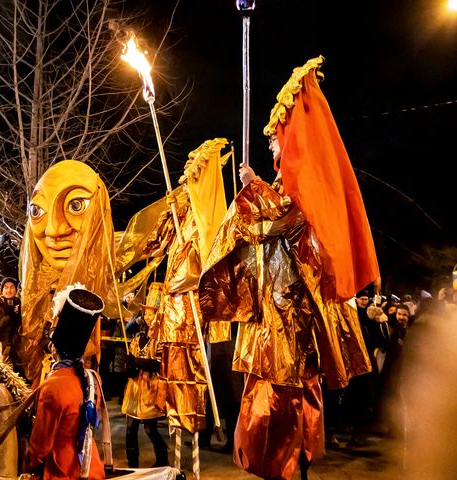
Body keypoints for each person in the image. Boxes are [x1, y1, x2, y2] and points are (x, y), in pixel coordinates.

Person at [198, 56, 378, 480]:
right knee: (270, 399)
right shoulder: (283, 186)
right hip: (272, 314)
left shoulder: (300, 189)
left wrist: (253, 188)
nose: (270, 144)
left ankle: (290, 465)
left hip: (290, 321)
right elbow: (261, 229)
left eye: (275, 138)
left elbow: (286, 221)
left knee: (284, 403)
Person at [19, 160, 118, 385]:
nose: (54, 229)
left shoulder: (99, 271)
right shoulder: (35, 292)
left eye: (76, 205)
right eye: (37, 211)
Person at [25, 285, 106, 480]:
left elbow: (41, 444)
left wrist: (30, 463)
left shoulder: (53, 386)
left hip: (61, 469)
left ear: (54, 349)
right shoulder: (93, 377)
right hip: (90, 464)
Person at [122, 282, 169, 468]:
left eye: (152, 314)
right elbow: (131, 360)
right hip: (134, 389)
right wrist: (129, 365)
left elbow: (158, 364)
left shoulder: (161, 338)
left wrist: (137, 362)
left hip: (150, 389)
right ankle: (132, 465)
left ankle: (163, 460)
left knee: (150, 429)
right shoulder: (137, 337)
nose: (148, 317)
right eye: (147, 314)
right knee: (130, 429)